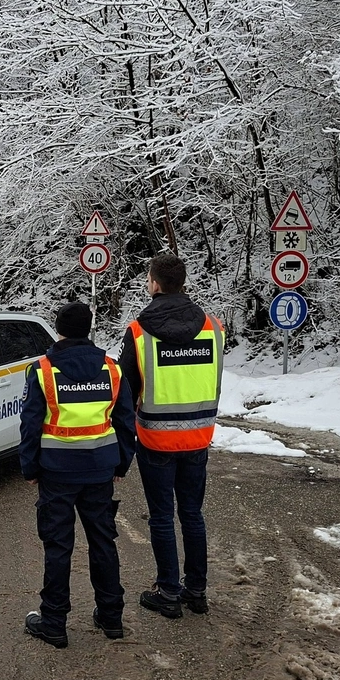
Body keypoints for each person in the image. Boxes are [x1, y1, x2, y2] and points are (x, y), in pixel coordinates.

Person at [20, 301, 137, 648]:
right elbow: (125, 422)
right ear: (89, 329)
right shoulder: (112, 369)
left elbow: (30, 425)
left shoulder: (42, 370)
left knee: (58, 546)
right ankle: (111, 616)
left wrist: (29, 468)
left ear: (58, 329)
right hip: (99, 471)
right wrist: (121, 464)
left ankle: (54, 623)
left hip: (57, 472)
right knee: (103, 542)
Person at [119, 252, 225, 620]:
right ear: (183, 283)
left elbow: (126, 390)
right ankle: (196, 591)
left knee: (162, 517)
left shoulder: (139, 331)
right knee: (192, 514)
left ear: (154, 284)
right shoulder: (213, 326)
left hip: (155, 439)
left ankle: (168, 591)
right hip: (199, 436)